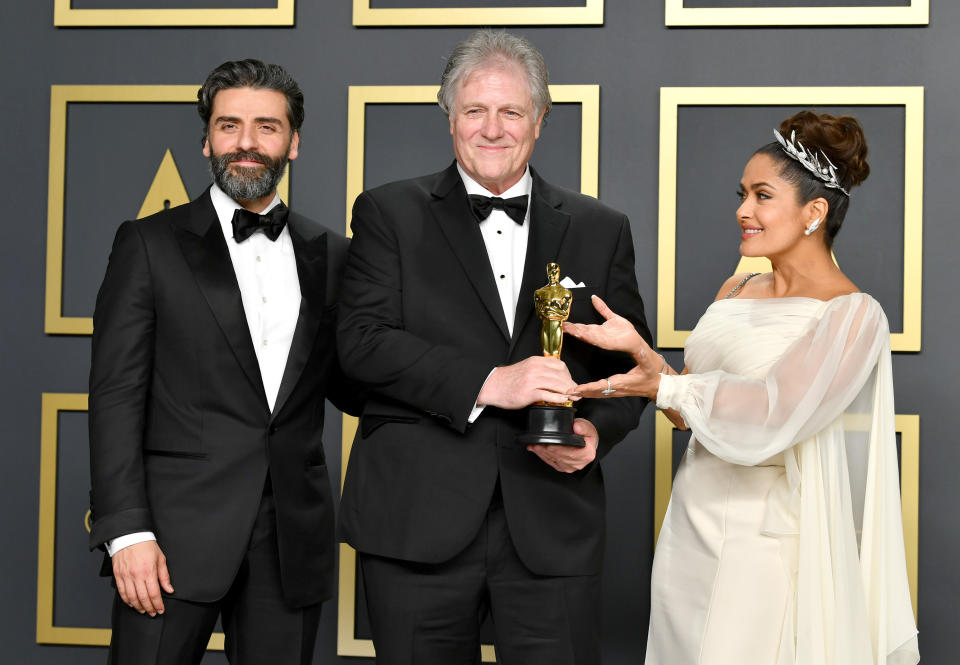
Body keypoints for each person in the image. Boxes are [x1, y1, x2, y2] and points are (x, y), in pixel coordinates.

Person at [336, 29, 651, 665]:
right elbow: (360, 344)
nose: (492, 129)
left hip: (552, 521)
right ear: (449, 116)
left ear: (540, 120)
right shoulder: (386, 213)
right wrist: (491, 382)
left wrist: (595, 431)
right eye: (474, 110)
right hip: (415, 522)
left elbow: (628, 368)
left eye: (511, 111)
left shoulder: (601, 228)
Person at [564, 111, 919, 665]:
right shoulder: (737, 286)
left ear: (814, 212)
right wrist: (645, 359)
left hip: (768, 542)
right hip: (691, 523)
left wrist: (665, 385)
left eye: (761, 195)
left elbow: (769, 417)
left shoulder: (853, 316)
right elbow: (694, 414)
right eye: (742, 193)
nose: (742, 211)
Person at [88, 59, 360, 664]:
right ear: (207, 138)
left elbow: (357, 380)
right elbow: (115, 396)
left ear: (294, 143)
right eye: (229, 124)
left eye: (267, 126)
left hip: (291, 539)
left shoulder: (333, 255)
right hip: (169, 538)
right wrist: (126, 532)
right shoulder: (147, 243)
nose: (246, 142)